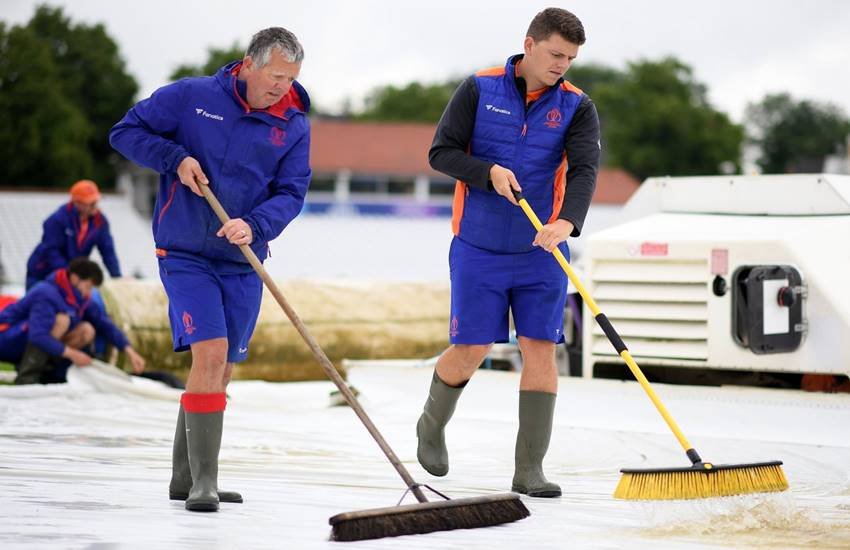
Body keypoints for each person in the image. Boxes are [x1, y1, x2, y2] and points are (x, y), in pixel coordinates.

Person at [109, 27, 311, 512]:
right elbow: (126, 133)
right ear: (248, 63)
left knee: (222, 370)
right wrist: (175, 158)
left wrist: (256, 225)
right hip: (184, 252)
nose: (283, 87)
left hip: (242, 258)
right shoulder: (192, 96)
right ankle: (206, 482)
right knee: (210, 351)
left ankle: (187, 477)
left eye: (291, 79)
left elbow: (292, 192)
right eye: (276, 76)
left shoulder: (294, 123)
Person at [415, 8, 600, 498]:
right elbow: (440, 153)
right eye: (556, 54)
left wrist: (568, 221)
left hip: (542, 247)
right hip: (478, 244)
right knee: (472, 348)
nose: (563, 64)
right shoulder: (478, 87)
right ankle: (431, 425)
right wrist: (487, 172)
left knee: (540, 347)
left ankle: (529, 469)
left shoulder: (578, 106)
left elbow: (583, 170)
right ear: (530, 44)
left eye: (571, 58)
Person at [0, 258, 146, 384]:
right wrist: (73, 354)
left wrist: (129, 350)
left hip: (28, 338)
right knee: (62, 320)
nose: (89, 292)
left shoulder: (80, 298)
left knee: (87, 330)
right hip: (8, 337)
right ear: (76, 278)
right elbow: (37, 335)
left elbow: (104, 323)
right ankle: (27, 377)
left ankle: (48, 375)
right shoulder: (46, 293)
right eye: (88, 286)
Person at [26, 180, 122, 291]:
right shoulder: (57, 220)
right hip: (44, 273)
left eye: (96, 201)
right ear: (77, 203)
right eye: (91, 203)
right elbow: (51, 250)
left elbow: (108, 250)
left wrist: (117, 277)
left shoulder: (99, 221)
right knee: (40, 303)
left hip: (73, 277)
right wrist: (70, 274)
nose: (95, 206)